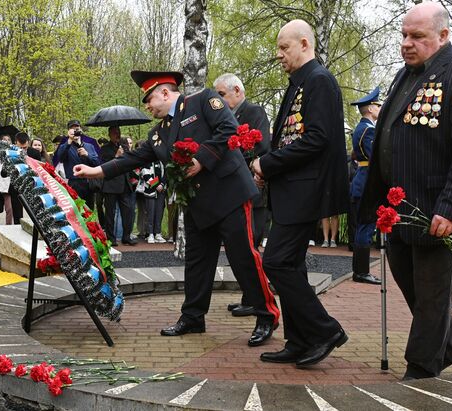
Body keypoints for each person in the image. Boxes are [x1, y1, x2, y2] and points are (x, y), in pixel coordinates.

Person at [73, 70, 280, 347]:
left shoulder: (203, 100)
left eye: (149, 99)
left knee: (243, 257)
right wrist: (95, 170)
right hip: (196, 202)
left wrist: (201, 160)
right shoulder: (158, 134)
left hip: (228, 194)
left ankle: (267, 315)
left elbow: (227, 129)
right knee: (196, 262)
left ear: (165, 93)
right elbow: (132, 159)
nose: (147, 106)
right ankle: (193, 317)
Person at [358, 2, 452, 379]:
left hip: (438, 208)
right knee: (413, 290)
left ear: (443, 36)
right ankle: (451, 347)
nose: (406, 43)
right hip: (400, 208)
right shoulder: (406, 75)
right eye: (403, 35)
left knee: (432, 297)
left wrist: (450, 208)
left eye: (417, 36)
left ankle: (420, 370)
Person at [250, 19, 349, 367]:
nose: (279, 55)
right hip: (293, 192)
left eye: (284, 47)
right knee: (290, 264)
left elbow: (317, 138)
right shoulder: (301, 83)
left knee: (276, 261)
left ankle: (324, 330)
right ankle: (299, 340)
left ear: (304, 44)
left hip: (306, 192)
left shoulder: (319, 81)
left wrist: (267, 164)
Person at [214, 72, 271, 318]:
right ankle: (250, 297)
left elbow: (262, 145)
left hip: (255, 189)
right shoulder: (223, 117)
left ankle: (258, 301)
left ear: (237, 91)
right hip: (235, 192)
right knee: (242, 248)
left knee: (251, 246)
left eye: (222, 95)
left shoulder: (254, 112)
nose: (219, 101)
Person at [349, 87, 382, 285]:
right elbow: (375, 158)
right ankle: (361, 272)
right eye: (377, 105)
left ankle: (359, 271)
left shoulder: (362, 128)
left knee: (364, 226)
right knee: (366, 227)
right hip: (366, 182)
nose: (379, 107)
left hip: (361, 180)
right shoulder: (368, 130)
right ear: (370, 108)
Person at [100, 126, 137, 246]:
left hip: (125, 185)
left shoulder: (125, 147)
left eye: (119, 132)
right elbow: (104, 166)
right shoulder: (105, 149)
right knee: (110, 213)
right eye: (115, 132)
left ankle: (126, 237)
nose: (117, 134)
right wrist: (116, 156)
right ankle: (111, 238)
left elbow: (129, 164)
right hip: (111, 185)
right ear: (109, 134)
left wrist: (135, 176)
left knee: (128, 212)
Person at [54, 120, 100, 208]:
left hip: (88, 183)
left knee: (89, 210)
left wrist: (87, 155)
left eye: (77, 129)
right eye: (72, 129)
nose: (75, 131)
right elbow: (60, 158)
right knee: (76, 210)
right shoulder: (65, 146)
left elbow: (97, 163)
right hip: (74, 183)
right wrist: (69, 140)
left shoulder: (89, 146)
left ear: (81, 130)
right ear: (68, 132)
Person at [0, 134, 14, 225]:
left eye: (8, 139)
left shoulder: (13, 152)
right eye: (4, 139)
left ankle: (8, 227)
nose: (6, 141)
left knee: (9, 209)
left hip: (8, 183)